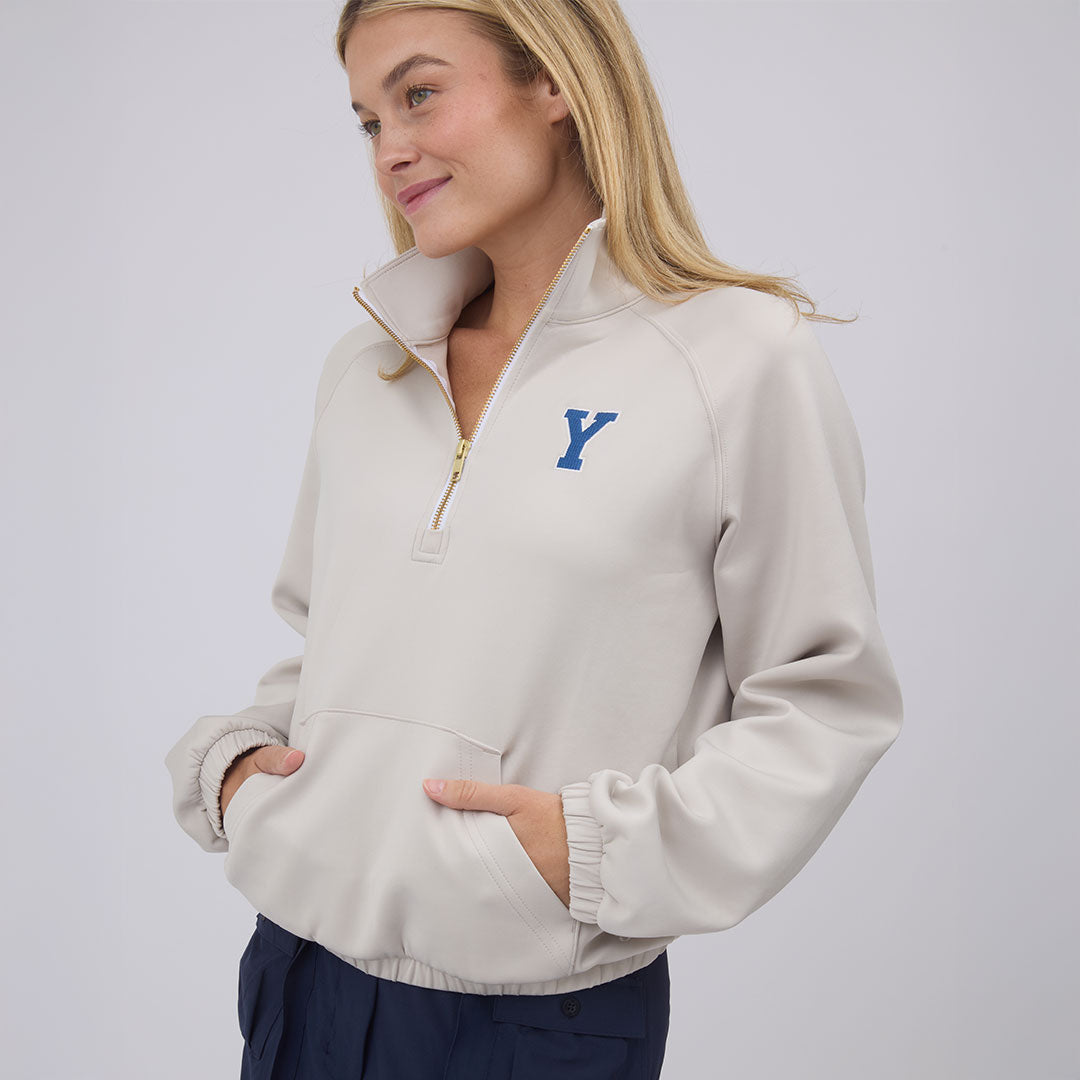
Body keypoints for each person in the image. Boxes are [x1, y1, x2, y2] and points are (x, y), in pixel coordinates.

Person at [164, 1, 905, 1077]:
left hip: (535, 1018)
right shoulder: (367, 368)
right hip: (299, 973)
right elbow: (327, 648)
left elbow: (825, 698)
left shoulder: (739, 357)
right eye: (368, 121)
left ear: (554, 81)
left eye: (419, 94)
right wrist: (237, 769)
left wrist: (601, 852)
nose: (390, 149)